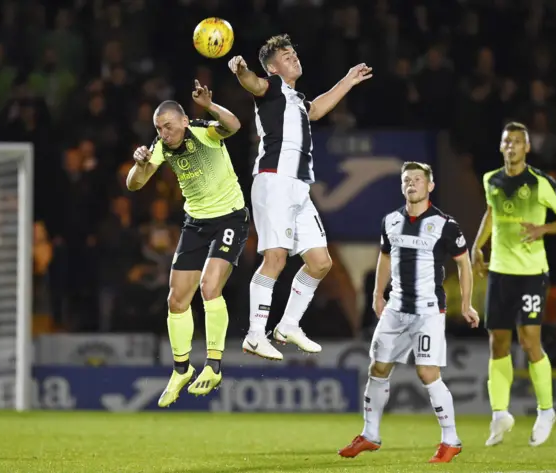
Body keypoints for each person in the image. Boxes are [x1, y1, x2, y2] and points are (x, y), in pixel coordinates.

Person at [227, 34, 373, 360]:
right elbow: (254, 84)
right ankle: (254, 334)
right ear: (273, 67)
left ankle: (288, 324)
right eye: (286, 55)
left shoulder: (294, 99)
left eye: (294, 52)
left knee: (321, 263)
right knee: (276, 259)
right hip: (274, 182)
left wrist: (348, 80)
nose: (294, 57)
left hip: (298, 188)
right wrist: (240, 72)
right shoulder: (272, 87)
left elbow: (317, 109)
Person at [338, 162, 480, 463]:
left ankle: (451, 440)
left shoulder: (445, 224)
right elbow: (385, 258)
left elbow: (464, 264)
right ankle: (370, 435)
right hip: (396, 307)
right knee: (377, 368)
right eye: (407, 180)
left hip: (427, 310)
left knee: (427, 372)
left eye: (418, 179)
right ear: (402, 186)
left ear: (430, 186)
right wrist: (378, 293)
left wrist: (466, 303)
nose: (412, 184)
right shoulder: (390, 221)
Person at [127, 80, 249, 407]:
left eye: (168, 126)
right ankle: (181, 369)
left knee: (210, 287)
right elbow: (134, 184)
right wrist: (140, 165)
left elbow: (233, 125)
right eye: (158, 129)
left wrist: (209, 105)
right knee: (176, 299)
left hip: (229, 217)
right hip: (195, 224)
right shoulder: (161, 147)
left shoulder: (202, 131)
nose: (164, 133)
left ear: (182, 121)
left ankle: (214, 364)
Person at [471, 122, 556, 446]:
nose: (512, 146)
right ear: (502, 147)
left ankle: (546, 411)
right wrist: (478, 245)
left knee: (530, 342)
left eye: (518, 141)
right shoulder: (491, 180)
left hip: (531, 272)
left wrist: (543, 230)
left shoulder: (541, 182)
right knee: (497, 344)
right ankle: (500, 415)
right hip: (500, 272)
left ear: (527, 147)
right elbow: (491, 212)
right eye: (507, 141)